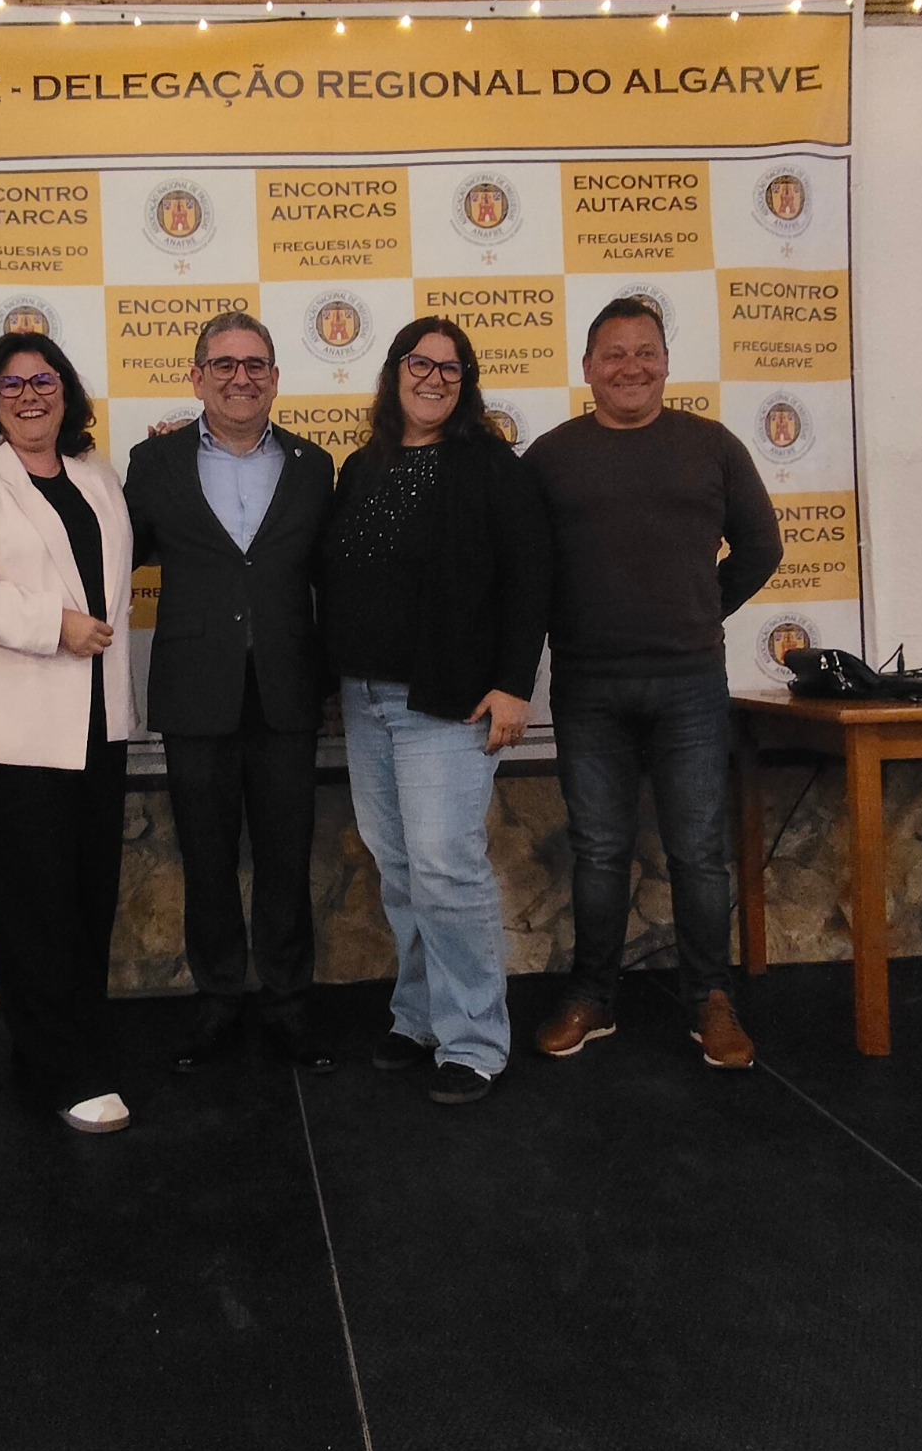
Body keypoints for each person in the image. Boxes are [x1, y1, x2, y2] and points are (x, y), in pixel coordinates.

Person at [524, 298, 783, 1068]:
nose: (630, 367)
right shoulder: (550, 458)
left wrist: (700, 608)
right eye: (614, 354)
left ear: (667, 363)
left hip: (689, 684)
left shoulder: (713, 445)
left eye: (646, 352)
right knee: (599, 850)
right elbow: (522, 567)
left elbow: (762, 547)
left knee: (698, 852)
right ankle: (591, 998)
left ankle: (711, 1000)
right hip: (588, 687)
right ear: (587, 368)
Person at [322, 317, 551, 1105]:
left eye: (450, 369)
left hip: (449, 702)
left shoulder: (492, 466)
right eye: (419, 363)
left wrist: (514, 684)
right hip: (364, 698)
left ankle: (475, 1040)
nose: (433, 378)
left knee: (447, 869)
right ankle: (418, 1015)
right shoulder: (362, 466)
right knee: (400, 868)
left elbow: (530, 578)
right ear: (394, 373)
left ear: (466, 384)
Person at [0, 333, 136, 1133]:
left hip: (98, 722)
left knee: (88, 897)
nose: (29, 396)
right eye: (11, 384)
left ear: (66, 392)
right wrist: (55, 625)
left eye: (43, 381)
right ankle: (68, 1071)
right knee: (32, 905)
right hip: (14, 728)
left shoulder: (96, 475)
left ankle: (52, 1045)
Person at [123, 312, 335, 1072]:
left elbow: (332, 577)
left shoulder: (315, 465)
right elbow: (113, 555)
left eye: (255, 365)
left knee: (286, 856)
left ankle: (287, 1003)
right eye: (224, 364)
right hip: (195, 691)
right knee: (206, 859)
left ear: (275, 378)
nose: (240, 377)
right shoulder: (154, 462)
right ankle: (216, 1001)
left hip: (287, 690)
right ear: (197, 377)